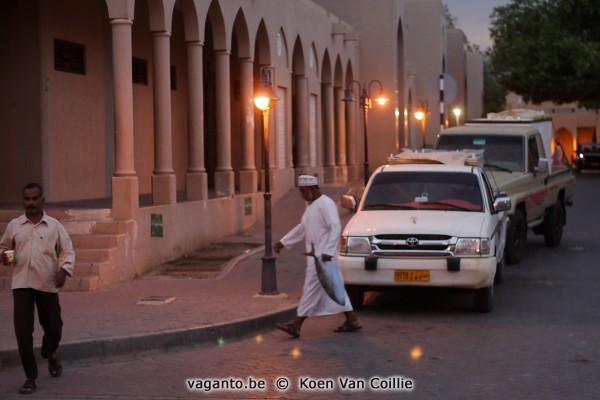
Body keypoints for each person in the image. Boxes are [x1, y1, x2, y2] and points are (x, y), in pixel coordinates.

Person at [0, 183, 75, 395]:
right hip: (21, 284)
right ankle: (30, 377)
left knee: (54, 328)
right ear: (23, 200)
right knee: (22, 332)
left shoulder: (54, 226)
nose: (30, 203)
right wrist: (11, 257)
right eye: (27, 199)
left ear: (42, 200)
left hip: (47, 283)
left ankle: (50, 352)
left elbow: (67, 251)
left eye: (34, 198)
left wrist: (63, 271)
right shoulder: (15, 225)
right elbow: (3, 249)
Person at [273, 175, 362, 338]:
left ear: (313, 189)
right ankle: (352, 319)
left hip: (323, 258)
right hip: (317, 257)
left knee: (311, 290)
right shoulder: (311, 206)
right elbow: (302, 228)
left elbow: (335, 227)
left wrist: (327, 251)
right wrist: (283, 242)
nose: (301, 195)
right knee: (335, 288)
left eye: (303, 191)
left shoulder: (326, 204)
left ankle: (296, 325)